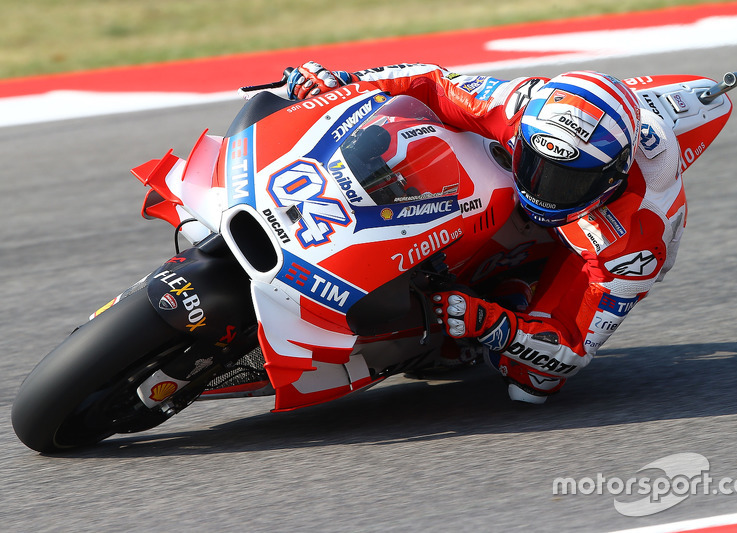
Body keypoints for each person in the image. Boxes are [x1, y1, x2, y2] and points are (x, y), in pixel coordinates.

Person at [285, 61, 685, 404]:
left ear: (610, 178)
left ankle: (508, 289)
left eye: (564, 183)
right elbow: (431, 82)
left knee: (531, 384)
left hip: (607, 236)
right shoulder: (515, 107)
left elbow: (570, 350)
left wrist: (492, 323)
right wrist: (343, 80)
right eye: (534, 164)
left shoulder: (638, 237)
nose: (541, 188)